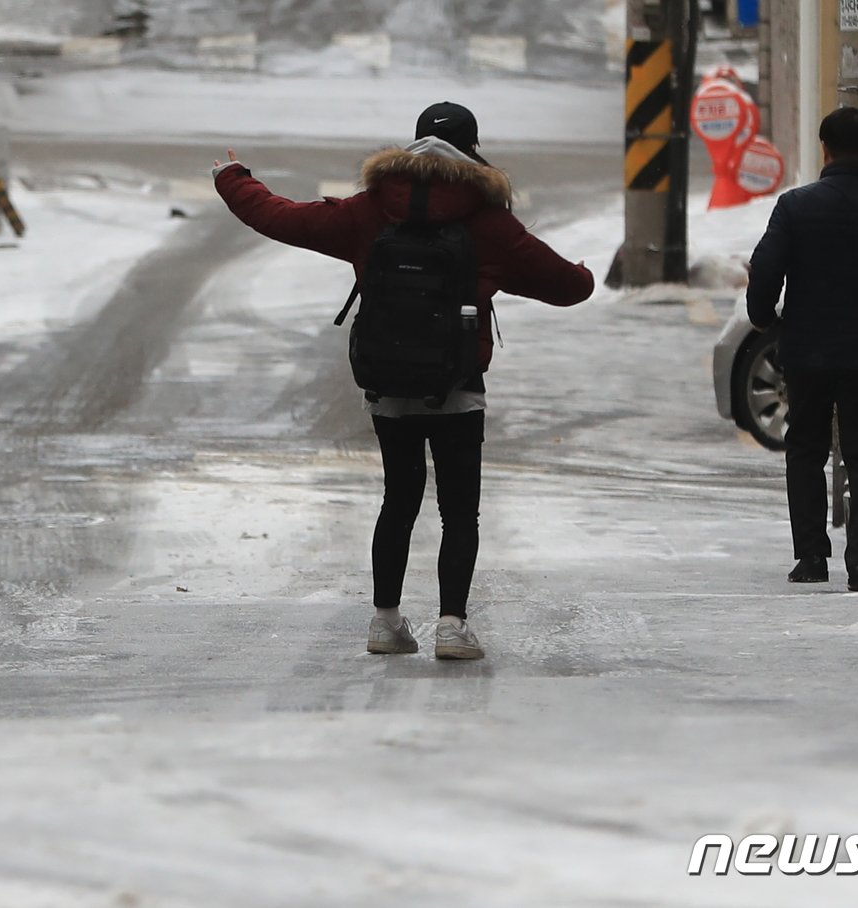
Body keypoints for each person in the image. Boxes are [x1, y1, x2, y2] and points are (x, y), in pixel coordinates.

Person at [212, 102, 594, 659]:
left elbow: (280, 217)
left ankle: (385, 622)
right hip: (458, 385)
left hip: (388, 380)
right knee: (459, 510)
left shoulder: (370, 210)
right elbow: (568, 287)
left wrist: (232, 179)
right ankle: (451, 626)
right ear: (472, 148)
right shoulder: (488, 220)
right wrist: (581, 272)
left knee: (399, 498)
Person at [746, 107, 858, 592]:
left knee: (805, 448)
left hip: (806, 350)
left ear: (824, 148)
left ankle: (811, 556)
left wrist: (765, 316)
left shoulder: (795, 207)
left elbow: (765, 273)